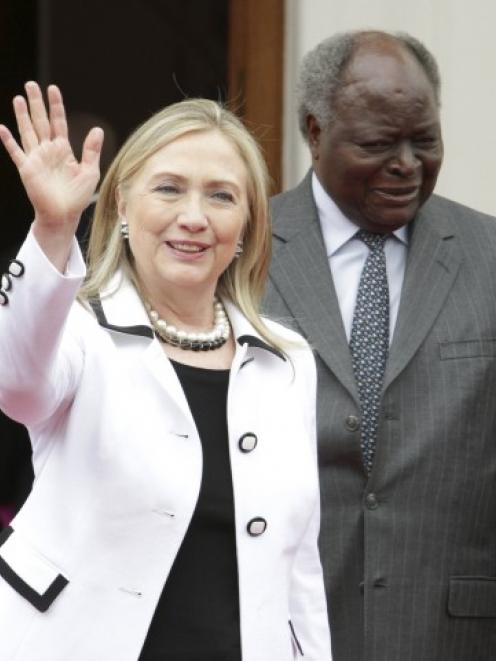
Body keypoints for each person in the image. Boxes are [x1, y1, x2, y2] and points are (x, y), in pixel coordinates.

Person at [0, 82, 332, 661]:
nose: (194, 217)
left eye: (222, 196)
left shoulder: (289, 362)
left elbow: (297, 568)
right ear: (123, 206)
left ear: (249, 224)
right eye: (169, 189)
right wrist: (52, 229)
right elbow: (14, 382)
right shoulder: (78, 333)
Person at [263, 29, 496, 661]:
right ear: (314, 132)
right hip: (282, 626)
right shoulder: (240, 252)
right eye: (377, 143)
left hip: (453, 632)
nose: (406, 164)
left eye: (424, 140)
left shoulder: (489, 258)